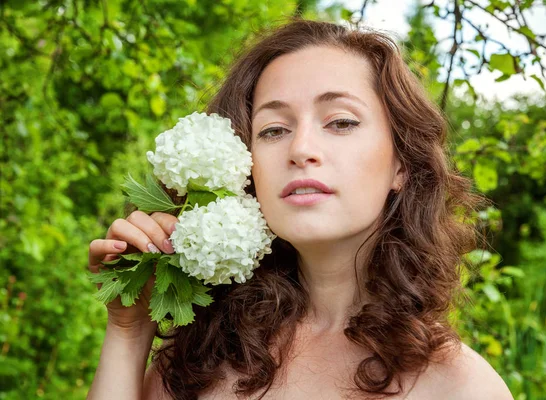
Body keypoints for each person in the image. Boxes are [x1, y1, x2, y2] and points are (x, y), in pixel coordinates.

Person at [87, 18, 514, 400]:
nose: (302, 149)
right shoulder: (198, 361)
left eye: (341, 122)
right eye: (274, 129)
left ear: (400, 164)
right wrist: (129, 331)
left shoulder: (460, 387)